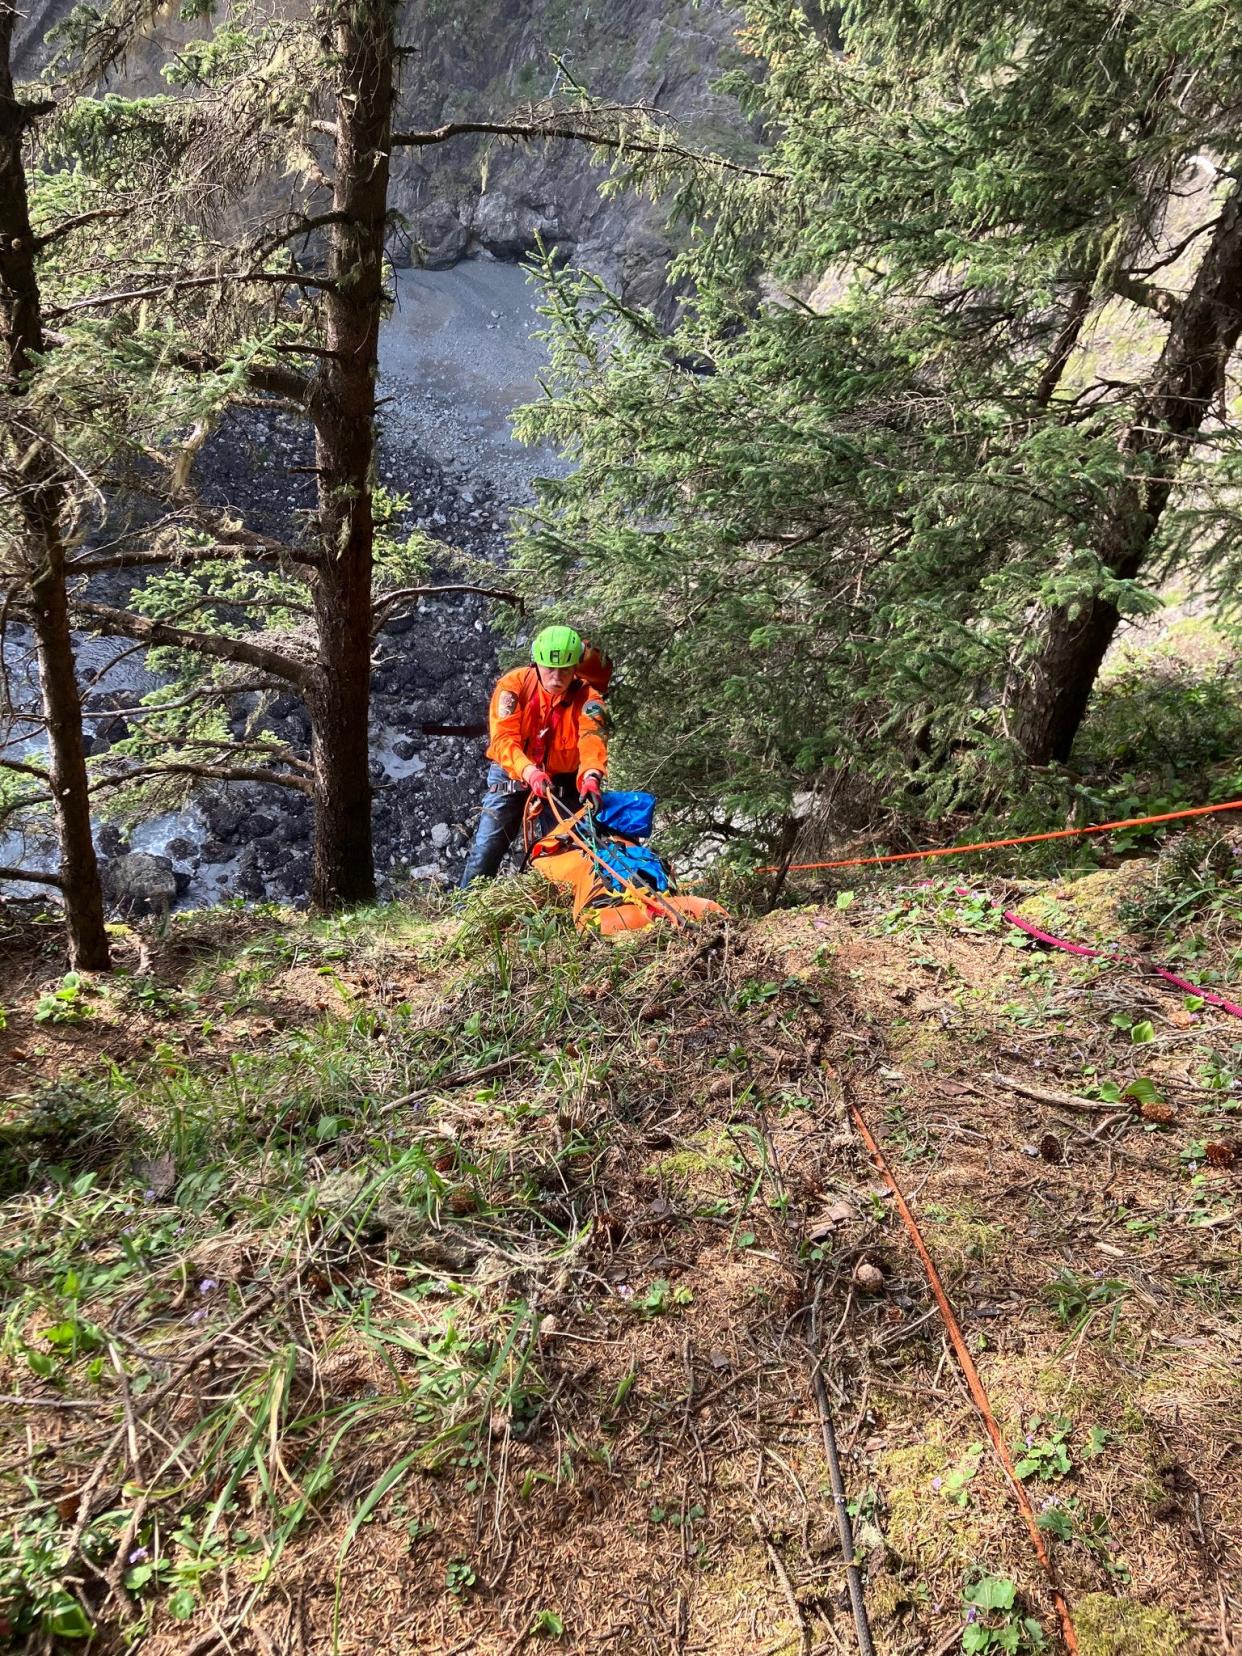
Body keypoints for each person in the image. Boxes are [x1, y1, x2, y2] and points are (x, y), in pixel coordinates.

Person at [458, 625, 609, 889]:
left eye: (564, 669)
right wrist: (529, 771)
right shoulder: (513, 687)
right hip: (512, 772)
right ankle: (465, 911)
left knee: (567, 853)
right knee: (487, 850)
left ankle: (560, 914)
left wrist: (591, 776)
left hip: (564, 781)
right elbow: (503, 739)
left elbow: (591, 740)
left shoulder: (588, 698)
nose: (556, 677)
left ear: (575, 667)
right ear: (536, 663)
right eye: (549, 668)